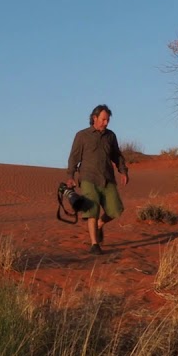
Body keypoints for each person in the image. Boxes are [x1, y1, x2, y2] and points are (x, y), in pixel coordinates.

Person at [65, 104, 129, 255]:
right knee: (92, 210)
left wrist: (123, 171)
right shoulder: (82, 135)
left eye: (108, 120)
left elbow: (117, 155)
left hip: (107, 178)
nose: (106, 123)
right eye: (103, 119)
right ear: (95, 118)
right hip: (88, 177)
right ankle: (95, 244)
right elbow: (74, 157)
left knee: (116, 209)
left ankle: (100, 224)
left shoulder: (110, 136)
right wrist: (70, 176)